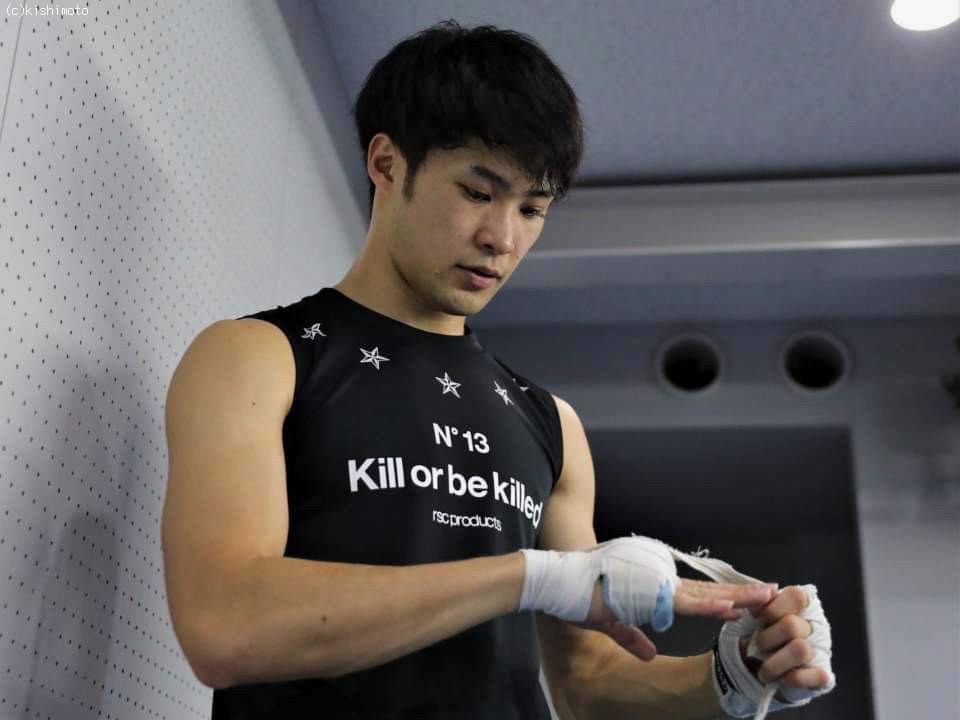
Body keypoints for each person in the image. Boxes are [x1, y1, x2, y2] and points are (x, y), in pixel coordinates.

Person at [161, 20, 835, 720]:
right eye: (478, 193)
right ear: (387, 164)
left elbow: (587, 686)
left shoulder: (551, 423)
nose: (502, 238)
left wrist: (737, 673)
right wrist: (530, 578)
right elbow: (224, 625)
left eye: (532, 208)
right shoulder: (261, 356)